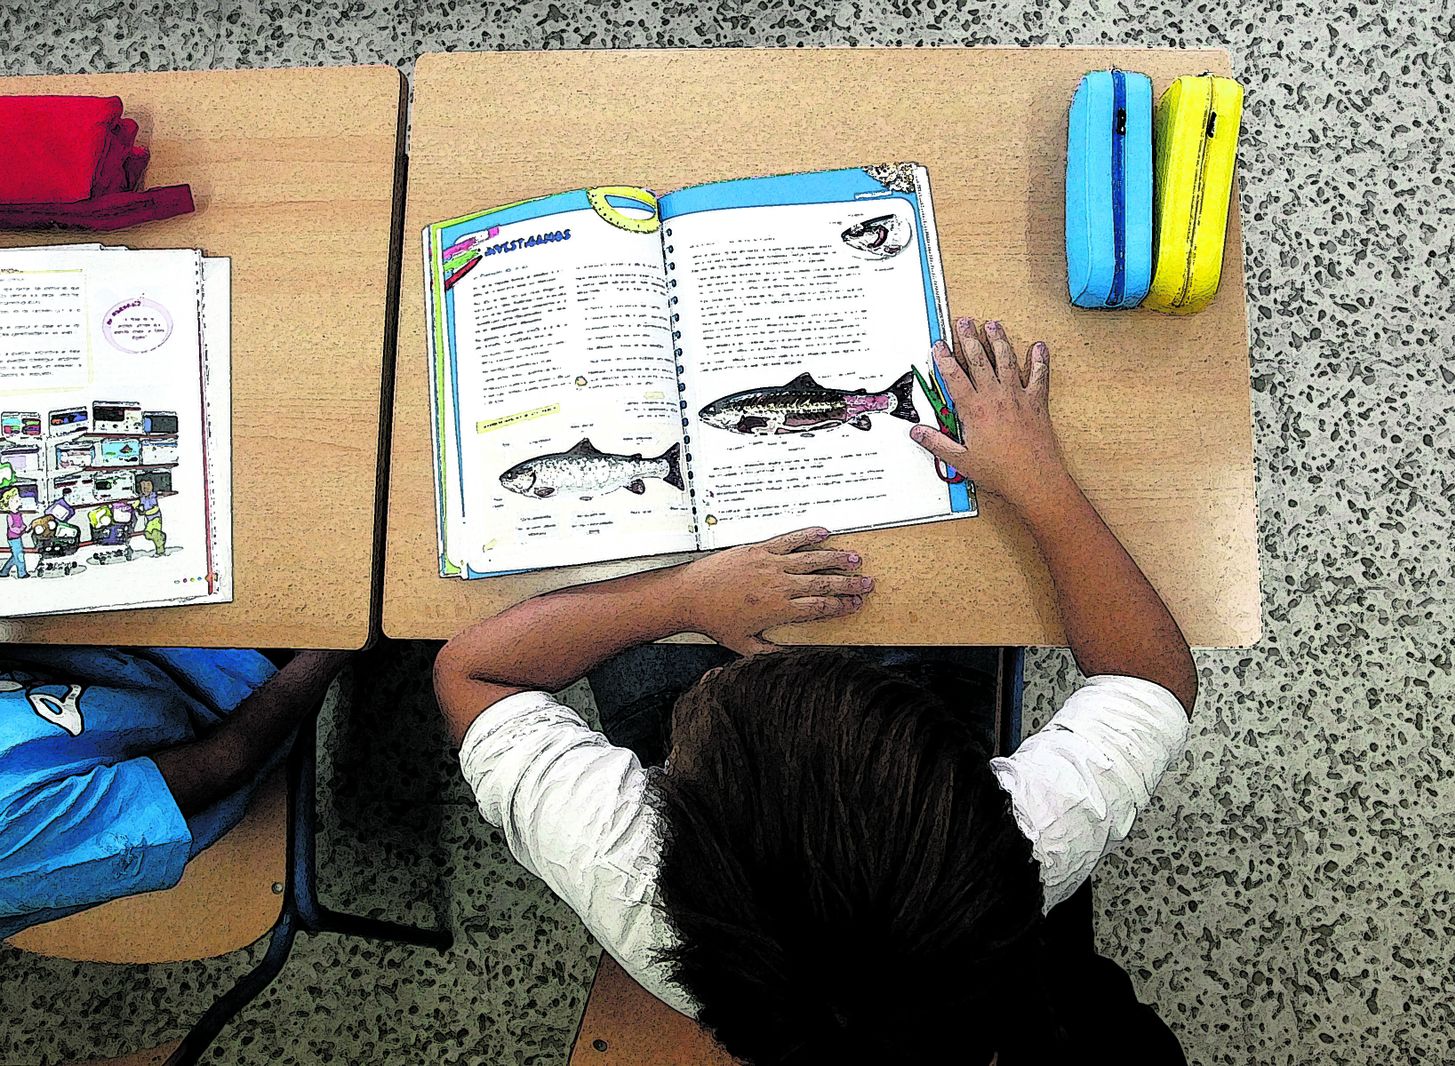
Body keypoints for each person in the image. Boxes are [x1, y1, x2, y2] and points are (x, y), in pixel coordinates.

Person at [433, 317, 1199, 1064]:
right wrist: (1041, 483)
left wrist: (679, 600)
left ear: (659, 818)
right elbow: (1150, 677)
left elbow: (475, 672)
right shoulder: (1005, 854)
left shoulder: (629, 875)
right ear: (985, 794)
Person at [0, 648, 348, 939]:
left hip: (103, 638)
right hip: (226, 695)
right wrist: (336, 642)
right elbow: (224, 761)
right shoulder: (15, 840)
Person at [1, 487, 28, 579]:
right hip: (13, 538)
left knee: (15, 556)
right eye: (16, 500)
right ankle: (22, 573)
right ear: (9, 504)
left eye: (19, 499)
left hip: (17, 537)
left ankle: (4, 572)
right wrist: (19, 530)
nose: (19, 501)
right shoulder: (10, 515)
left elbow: (22, 524)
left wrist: (24, 527)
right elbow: (12, 527)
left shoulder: (19, 514)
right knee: (19, 555)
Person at [135, 476, 165, 556]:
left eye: (148, 485)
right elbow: (138, 502)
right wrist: (132, 506)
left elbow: (155, 509)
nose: (146, 488)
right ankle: (161, 537)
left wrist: (145, 513)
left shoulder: (152, 497)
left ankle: (160, 550)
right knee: (147, 534)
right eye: (143, 486)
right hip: (149, 520)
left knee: (155, 533)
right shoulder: (143, 497)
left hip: (155, 519)